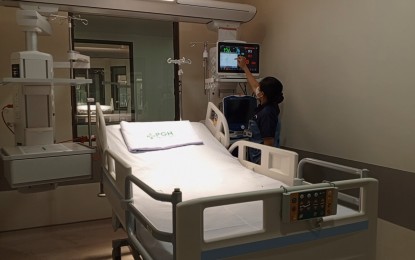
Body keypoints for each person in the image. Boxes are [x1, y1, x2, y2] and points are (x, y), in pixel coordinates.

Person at [237, 56, 284, 163]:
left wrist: (263, 168)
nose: (256, 88)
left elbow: (269, 144)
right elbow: (255, 85)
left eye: (259, 88)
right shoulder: (270, 103)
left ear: (262, 94)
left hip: (263, 161)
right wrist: (244, 67)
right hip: (256, 157)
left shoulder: (267, 113)